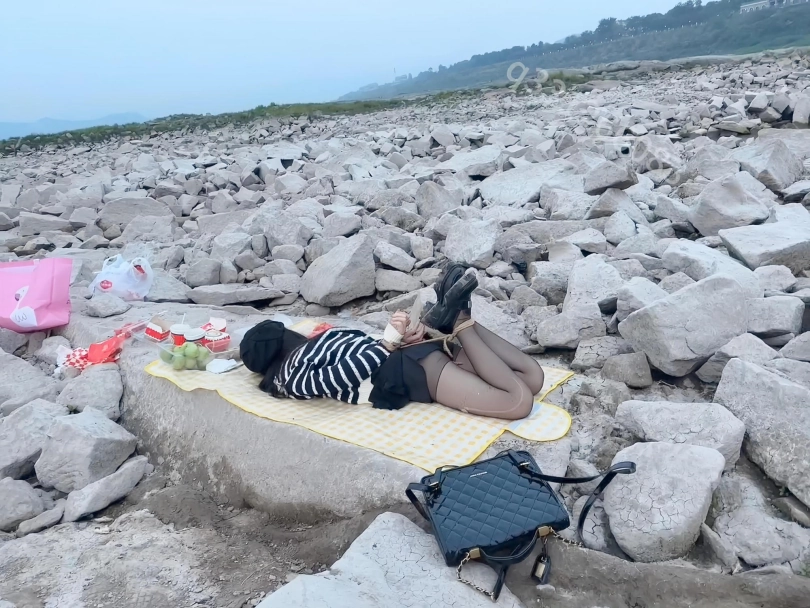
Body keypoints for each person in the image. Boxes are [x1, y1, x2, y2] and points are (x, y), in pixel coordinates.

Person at [240, 264, 544, 421]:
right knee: (532, 378)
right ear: (287, 337)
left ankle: (459, 321)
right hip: (411, 355)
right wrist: (392, 343)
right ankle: (456, 319)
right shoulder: (323, 339)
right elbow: (353, 360)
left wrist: (389, 344)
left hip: (405, 369)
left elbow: (338, 377)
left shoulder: (288, 376)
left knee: (517, 402)